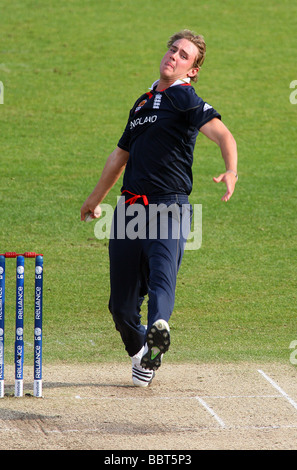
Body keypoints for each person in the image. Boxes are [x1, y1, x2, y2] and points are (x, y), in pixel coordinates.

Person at [80, 29, 238, 387]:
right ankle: (143, 355)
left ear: (192, 70)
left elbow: (223, 134)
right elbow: (119, 156)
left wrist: (231, 169)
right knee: (120, 307)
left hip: (169, 208)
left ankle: (157, 329)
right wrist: (95, 199)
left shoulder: (185, 98)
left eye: (184, 55)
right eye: (173, 49)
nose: (174, 56)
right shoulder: (140, 103)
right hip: (128, 212)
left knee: (162, 279)